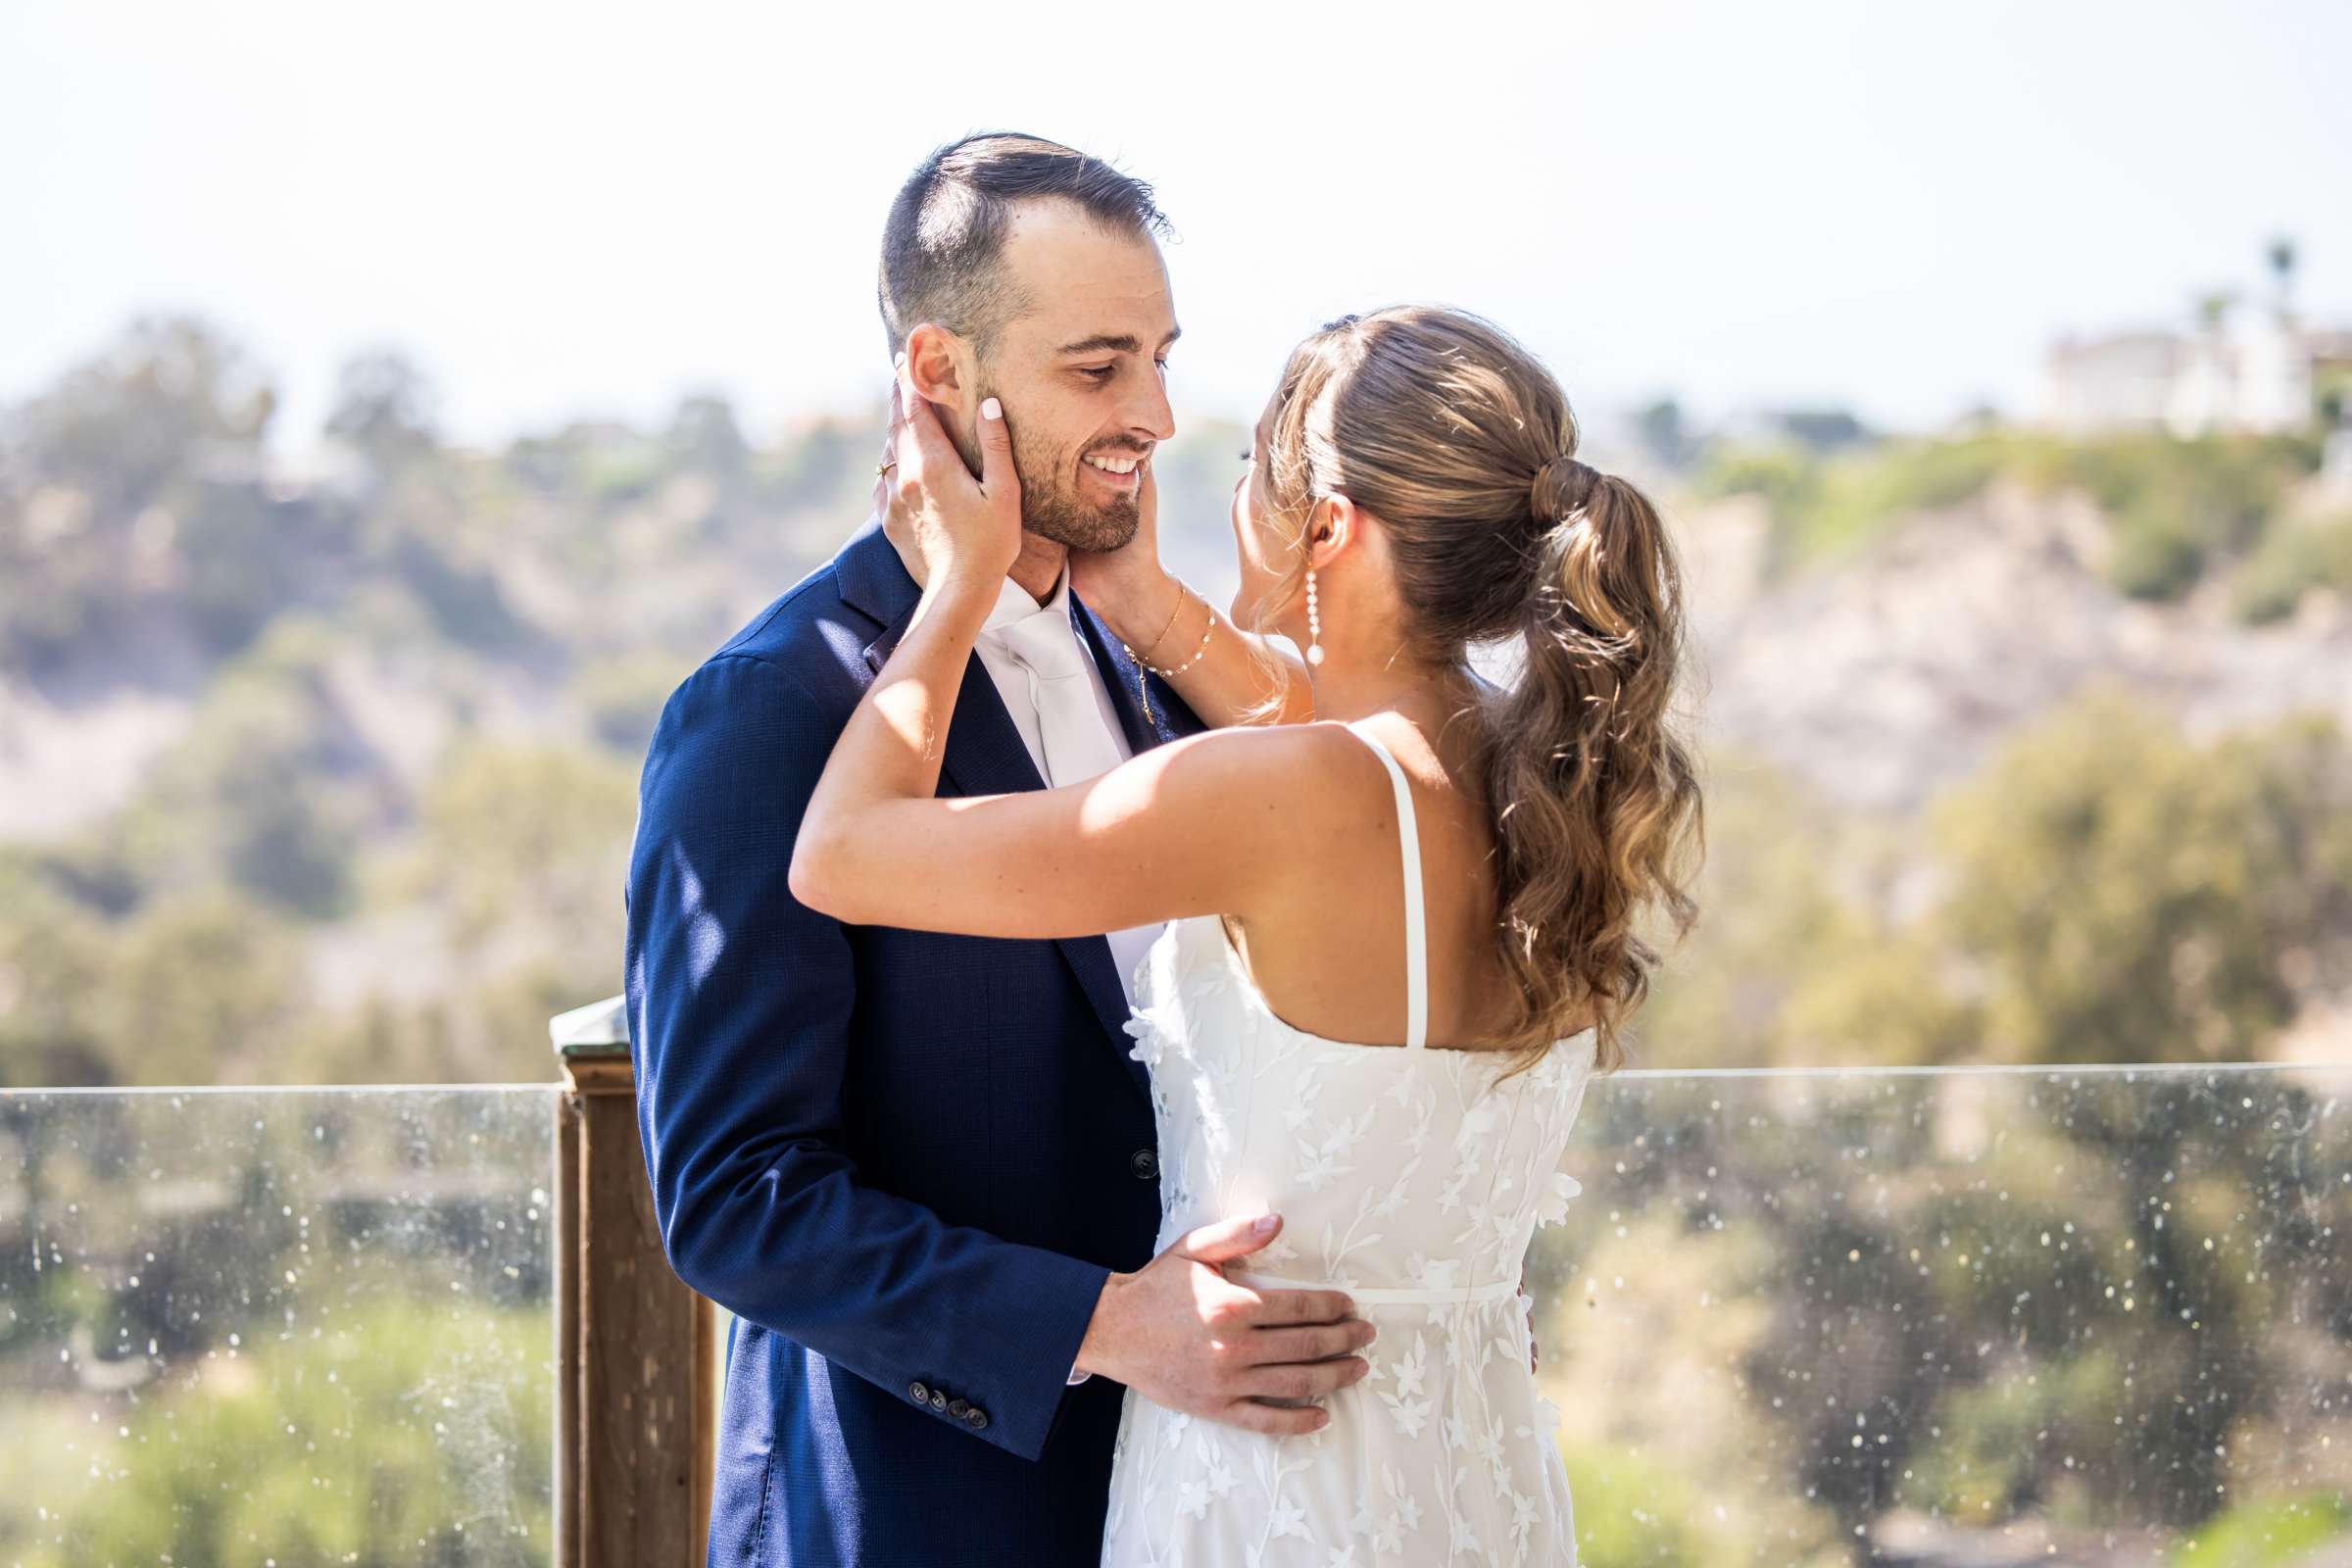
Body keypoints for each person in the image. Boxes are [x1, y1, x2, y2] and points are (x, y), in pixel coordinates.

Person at [795, 303, 1705, 1564]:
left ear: (1325, 527)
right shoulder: (1543, 782)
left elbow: (840, 855)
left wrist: (954, 588)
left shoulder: (1285, 798)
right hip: (1475, 1478)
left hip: (1277, 1487)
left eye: (1248, 476)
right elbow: (1312, 712)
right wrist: (1151, 605)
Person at [624, 133, 1375, 1567]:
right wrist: (1105, 1326)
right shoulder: (768, 713)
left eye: (1161, 357)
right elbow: (734, 1198)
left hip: (1216, 1503)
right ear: (937, 377)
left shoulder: (1155, 674)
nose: (1155, 414)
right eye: (1098, 370)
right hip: (913, 1513)